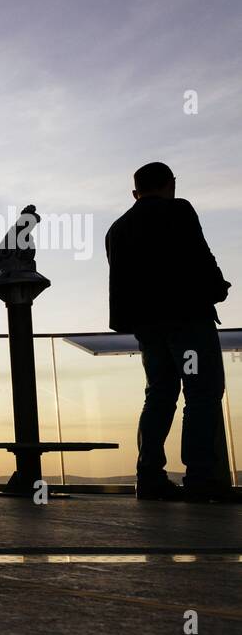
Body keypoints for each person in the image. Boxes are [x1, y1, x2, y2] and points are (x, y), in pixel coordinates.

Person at [106, 162, 234, 502]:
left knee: (160, 394)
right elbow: (199, 256)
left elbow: (120, 282)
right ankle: (201, 477)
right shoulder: (179, 210)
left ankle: (149, 476)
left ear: (135, 192)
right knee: (201, 393)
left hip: (148, 328)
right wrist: (217, 287)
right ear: (170, 184)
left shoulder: (118, 228)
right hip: (187, 321)